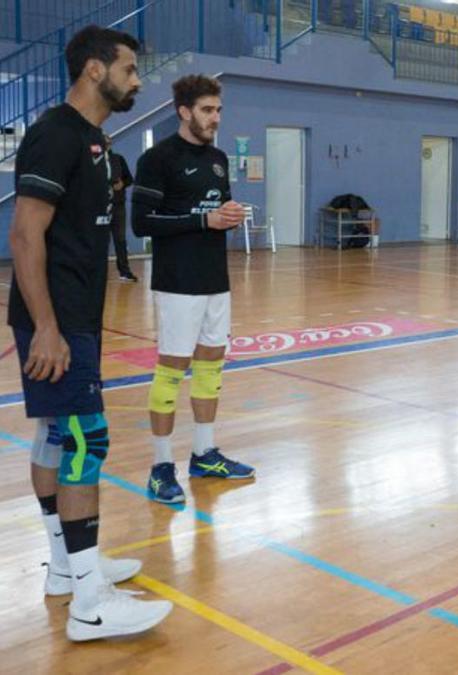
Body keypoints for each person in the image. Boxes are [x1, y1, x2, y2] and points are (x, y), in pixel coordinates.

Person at [8, 25, 172, 641]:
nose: (137, 80)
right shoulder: (56, 134)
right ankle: (91, 605)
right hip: (57, 319)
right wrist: (47, 328)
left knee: (58, 434)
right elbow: (25, 235)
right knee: (86, 441)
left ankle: (66, 569)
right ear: (96, 70)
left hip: (76, 314)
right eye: (129, 69)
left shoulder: (95, 140)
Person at [131, 74, 252, 504]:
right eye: (206, 110)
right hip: (177, 283)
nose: (215, 118)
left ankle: (204, 453)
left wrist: (228, 214)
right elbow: (141, 224)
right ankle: (161, 466)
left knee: (211, 365)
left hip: (215, 280)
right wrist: (204, 220)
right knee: (172, 368)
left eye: (218, 110)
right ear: (184, 111)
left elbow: (215, 212)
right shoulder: (157, 159)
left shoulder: (218, 158)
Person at [105, 135, 136, 281]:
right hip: (99, 207)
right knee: (98, 240)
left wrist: (122, 184)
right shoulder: (91, 160)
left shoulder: (118, 159)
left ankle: (124, 271)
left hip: (118, 206)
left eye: (108, 141)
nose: (106, 144)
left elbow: (129, 178)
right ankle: (97, 273)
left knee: (120, 239)